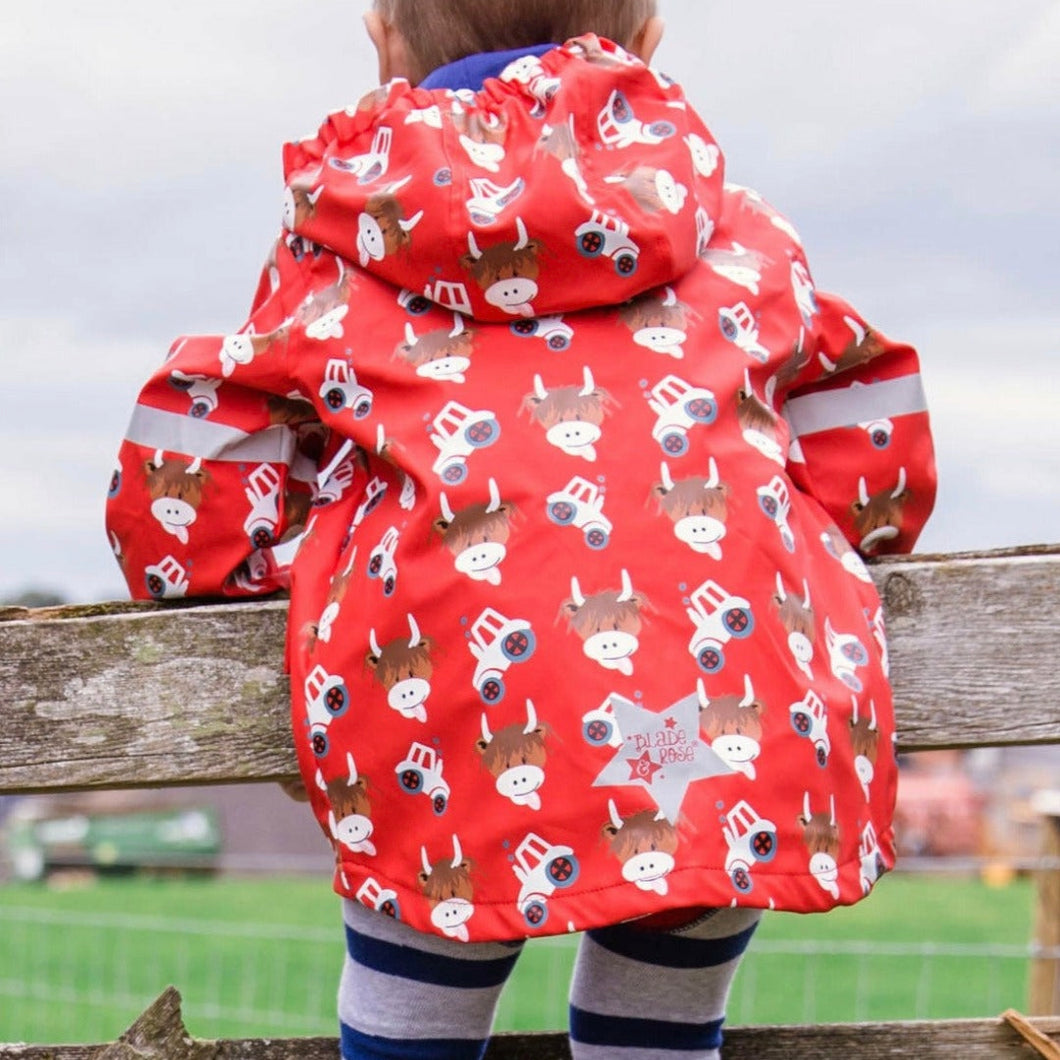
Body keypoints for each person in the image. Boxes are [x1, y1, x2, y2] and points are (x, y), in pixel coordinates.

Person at [105, 1, 937, 1056]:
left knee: (416, 1019)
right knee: (659, 1031)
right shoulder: (735, 229)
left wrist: (234, 579)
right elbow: (868, 409)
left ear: (386, 43)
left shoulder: (345, 242)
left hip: (443, 720)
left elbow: (194, 437)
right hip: (722, 711)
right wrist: (837, 531)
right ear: (642, 47)